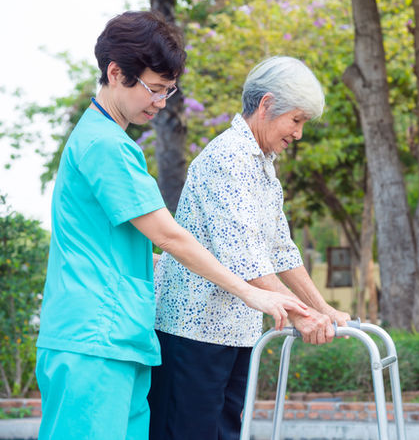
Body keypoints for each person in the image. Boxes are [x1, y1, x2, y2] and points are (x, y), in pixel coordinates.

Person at [35, 12, 308, 440]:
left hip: (117, 335)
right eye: (154, 89)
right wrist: (250, 291)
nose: (161, 102)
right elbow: (169, 234)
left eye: (168, 91)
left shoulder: (110, 142)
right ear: (115, 72)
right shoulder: (105, 145)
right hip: (93, 339)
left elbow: (133, 242)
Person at [149, 56, 351, 440]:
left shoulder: (262, 166)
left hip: (235, 331)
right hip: (193, 332)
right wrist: (300, 315)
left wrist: (322, 309)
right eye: (296, 120)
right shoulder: (228, 158)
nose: (299, 133)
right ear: (265, 105)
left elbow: (281, 249)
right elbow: (246, 260)